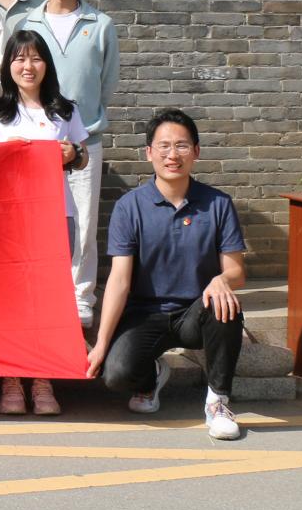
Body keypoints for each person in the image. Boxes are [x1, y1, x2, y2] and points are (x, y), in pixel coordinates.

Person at [89, 109, 247, 442]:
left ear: (196, 151)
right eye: (163, 146)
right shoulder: (130, 207)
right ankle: (152, 377)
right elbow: (119, 280)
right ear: (149, 153)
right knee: (116, 374)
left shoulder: (218, 203)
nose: (172, 155)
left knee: (226, 303)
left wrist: (222, 280)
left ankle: (218, 403)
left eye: (181, 146)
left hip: (196, 312)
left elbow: (235, 271)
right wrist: (101, 345)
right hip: (145, 314)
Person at [0, 29, 90, 417]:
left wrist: (73, 154)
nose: (28, 66)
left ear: (46, 65)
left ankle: (42, 379)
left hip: (55, 214)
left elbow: (83, 156)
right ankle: (10, 377)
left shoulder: (64, 110)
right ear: (8, 65)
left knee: (47, 299)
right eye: (20, 58)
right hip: (6, 218)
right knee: (9, 301)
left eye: (36, 58)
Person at [19, 0, 121, 327]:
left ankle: (81, 299)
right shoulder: (27, 23)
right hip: (35, 142)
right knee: (37, 223)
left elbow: (107, 82)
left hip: (83, 141)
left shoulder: (101, 24)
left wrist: (84, 120)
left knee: (83, 224)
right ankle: (41, 294)